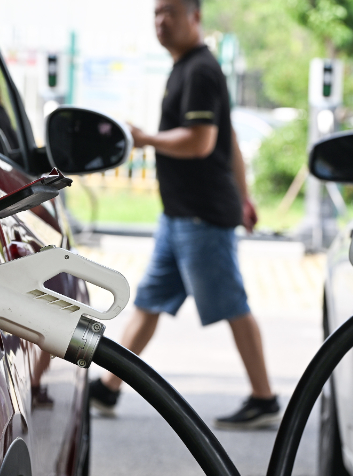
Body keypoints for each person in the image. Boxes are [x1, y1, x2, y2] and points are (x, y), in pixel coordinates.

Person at [89, 0, 280, 430]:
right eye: (157, 13)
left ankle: (265, 398)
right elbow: (229, 137)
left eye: (171, 12)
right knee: (149, 301)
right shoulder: (185, 68)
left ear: (195, 17)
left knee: (232, 305)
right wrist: (246, 197)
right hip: (177, 216)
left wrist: (145, 139)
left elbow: (201, 141)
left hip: (201, 217)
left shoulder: (200, 71)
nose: (162, 21)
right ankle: (108, 388)